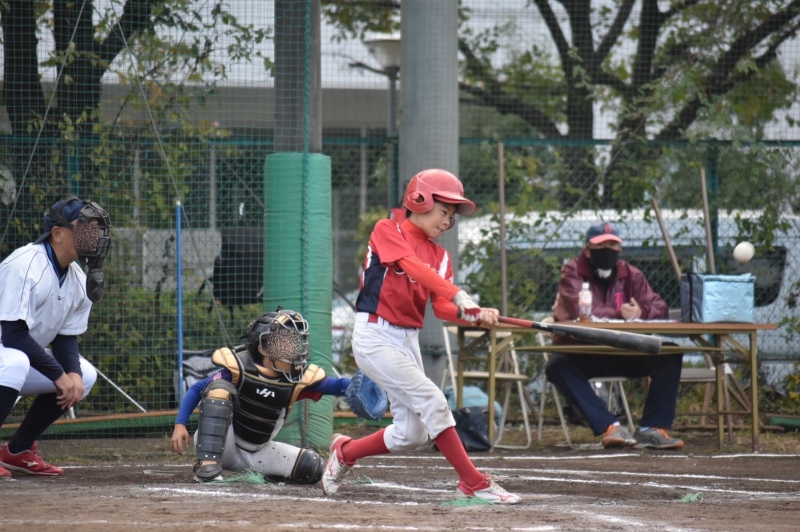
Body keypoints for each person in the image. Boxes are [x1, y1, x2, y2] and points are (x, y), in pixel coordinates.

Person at [320, 169, 520, 505]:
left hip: (407, 340)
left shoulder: (441, 257)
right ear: (419, 200)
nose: (448, 221)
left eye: (452, 216)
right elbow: (411, 266)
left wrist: (473, 315)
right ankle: (473, 481)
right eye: (444, 211)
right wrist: (460, 296)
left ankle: (345, 451)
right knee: (433, 401)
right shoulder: (388, 229)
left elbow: (441, 307)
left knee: (412, 434)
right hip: (375, 335)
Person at [170, 308, 354, 484]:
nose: (292, 347)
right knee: (218, 389)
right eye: (283, 342)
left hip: (258, 452)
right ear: (263, 348)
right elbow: (198, 388)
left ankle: (264, 472)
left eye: (293, 342)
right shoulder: (239, 368)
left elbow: (338, 386)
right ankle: (207, 466)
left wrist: (361, 386)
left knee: (312, 467)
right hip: (223, 445)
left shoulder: (298, 378)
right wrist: (180, 424)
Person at [0, 194, 112, 477]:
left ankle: (18, 450)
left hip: (9, 360)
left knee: (84, 376)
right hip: (8, 355)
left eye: (96, 230)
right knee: (16, 362)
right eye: (86, 228)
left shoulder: (78, 277)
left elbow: (65, 337)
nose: (94, 236)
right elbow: (12, 336)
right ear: (58, 234)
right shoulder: (25, 264)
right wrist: (58, 374)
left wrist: (71, 372)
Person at [545, 222, 684, 450]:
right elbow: (578, 310)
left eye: (612, 245)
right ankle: (610, 427)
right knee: (556, 365)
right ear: (587, 250)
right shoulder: (572, 271)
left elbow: (660, 307)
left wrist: (641, 312)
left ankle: (652, 429)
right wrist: (621, 313)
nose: (607, 250)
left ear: (619, 249)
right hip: (583, 350)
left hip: (623, 350)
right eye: (601, 246)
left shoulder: (632, 274)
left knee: (669, 353)